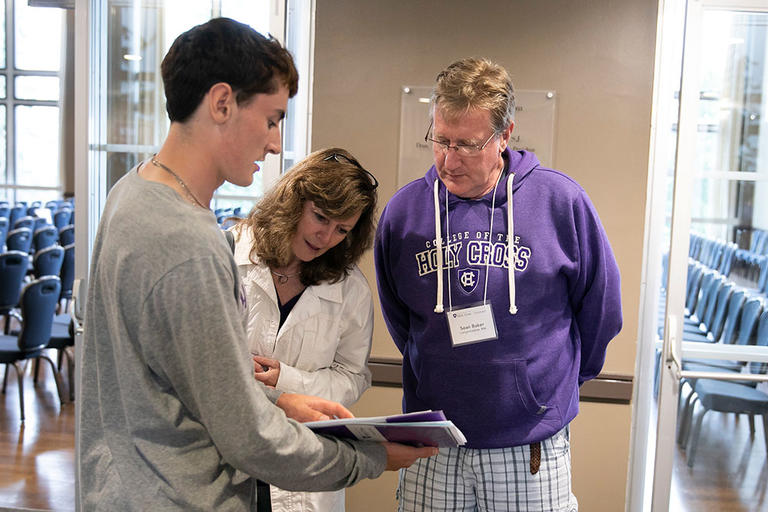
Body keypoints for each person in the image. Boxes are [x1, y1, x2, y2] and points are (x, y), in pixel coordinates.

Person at [78, 17, 436, 511]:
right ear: (222, 103)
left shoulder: (131, 192)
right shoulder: (190, 242)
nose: (273, 144)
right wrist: (371, 458)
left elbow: (187, 385)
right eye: (271, 119)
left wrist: (282, 399)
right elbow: (251, 440)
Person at [374, 57, 623, 511]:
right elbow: (400, 318)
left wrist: (547, 388)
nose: (449, 160)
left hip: (527, 446)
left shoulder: (560, 201)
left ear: (505, 134)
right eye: (440, 140)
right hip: (435, 443)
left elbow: (601, 311)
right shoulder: (403, 213)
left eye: (467, 145)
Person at [231, 147, 378, 512]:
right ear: (295, 200)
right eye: (321, 217)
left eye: (342, 229)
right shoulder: (230, 254)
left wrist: (287, 380)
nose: (326, 237)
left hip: (306, 462)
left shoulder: (350, 289)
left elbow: (352, 376)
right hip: (230, 453)